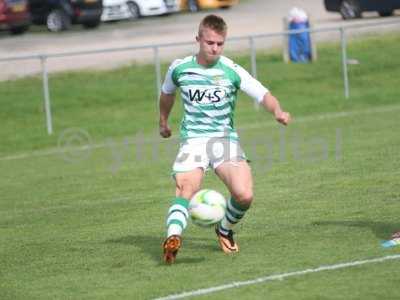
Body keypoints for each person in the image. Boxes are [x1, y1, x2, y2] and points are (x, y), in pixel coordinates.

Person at [159, 14, 291, 264]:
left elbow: (263, 94)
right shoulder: (179, 68)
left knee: (244, 195)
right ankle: (173, 237)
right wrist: (163, 121)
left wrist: (277, 111)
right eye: (210, 42)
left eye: (220, 43)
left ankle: (224, 228)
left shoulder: (231, 70)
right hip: (193, 140)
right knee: (187, 188)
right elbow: (167, 94)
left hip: (224, 141)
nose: (215, 48)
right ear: (198, 39)